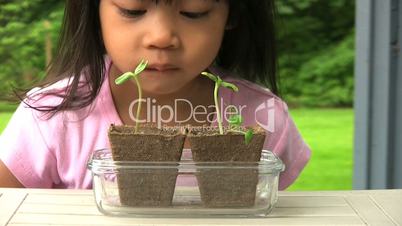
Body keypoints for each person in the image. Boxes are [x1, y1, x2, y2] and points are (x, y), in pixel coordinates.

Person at [0, 0, 311, 189]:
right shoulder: (51, 117)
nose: (162, 37)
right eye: (132, 10)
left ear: (232, 15)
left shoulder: (263, 118)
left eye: (193, 12)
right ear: (94, 12)